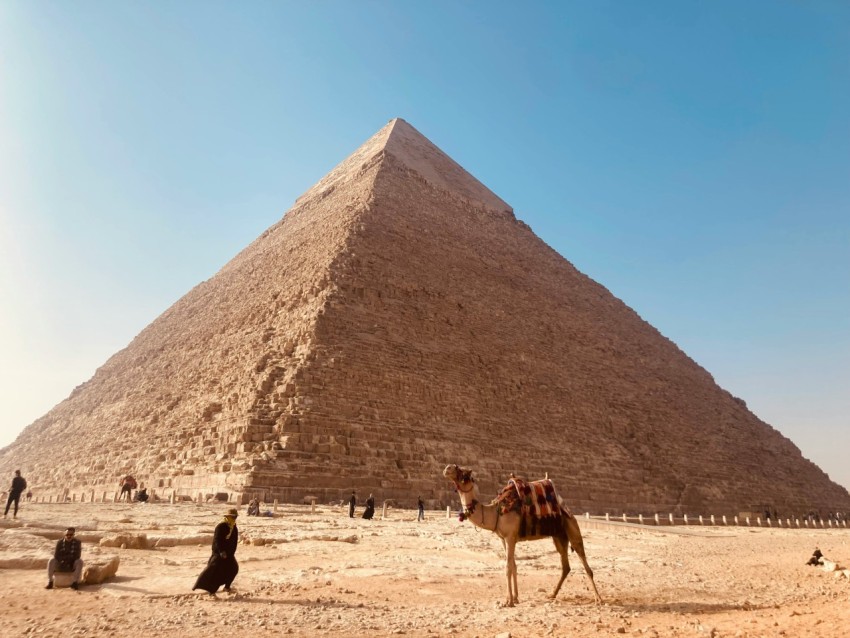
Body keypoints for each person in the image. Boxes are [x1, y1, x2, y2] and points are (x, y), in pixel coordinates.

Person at [193, 507, 239, 595]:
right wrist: (221, 551)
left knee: (233, 569)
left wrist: (231, 552)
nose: (234, 518)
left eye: (235, 517)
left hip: (229, 554)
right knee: (214, 572)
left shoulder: (233, 526)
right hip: (219, 554)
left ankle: (227, 587)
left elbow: (234, 540)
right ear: (228, 516)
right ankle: (210, 591)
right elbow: (217, 540)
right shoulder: (221, 526)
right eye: (233, 516)